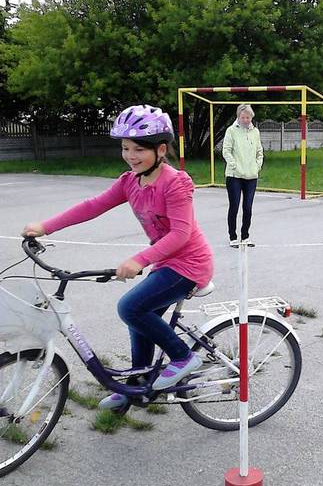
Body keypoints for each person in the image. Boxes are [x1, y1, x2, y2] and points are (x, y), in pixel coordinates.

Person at [22, 104, 214, 410]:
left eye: (139, 149)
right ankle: (138, 387)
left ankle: (183, 356)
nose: (130, 155)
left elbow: (181, 234)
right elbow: (93, 206)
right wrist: (47, 226)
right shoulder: (130, 181)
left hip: (190, 264)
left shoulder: (175, 182)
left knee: (130, 308)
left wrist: (140, 260)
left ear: (160, 150)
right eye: (125, 148)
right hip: (166, 262)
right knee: (139, 319)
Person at [222, 104, 264, 246]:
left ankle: (245, 236)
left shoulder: (255, 132)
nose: (246, 120)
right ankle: (233, 237)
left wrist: (257, 166)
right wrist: (233, 164)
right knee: (234, 206)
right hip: (234, 175)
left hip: (251, 176)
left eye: (248, 117)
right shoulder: (231, 131)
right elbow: (226, 150)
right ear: (238, 117)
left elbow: (259, 151)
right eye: (243, 117)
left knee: (248, 207)